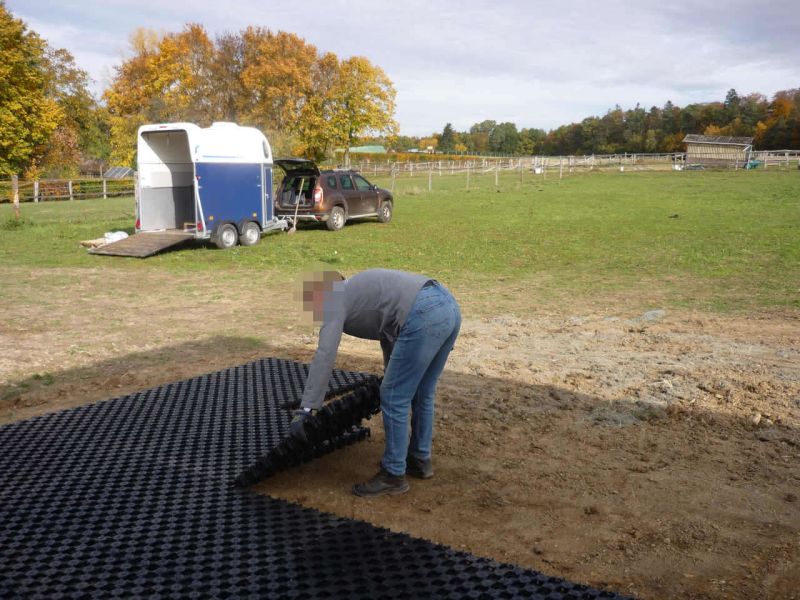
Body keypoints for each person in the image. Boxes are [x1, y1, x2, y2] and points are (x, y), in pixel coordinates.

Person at [290, 269, 461, 497]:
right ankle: (420, 460)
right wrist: (394, 375)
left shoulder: (334, 298)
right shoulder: (360, 292)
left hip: (424, 312)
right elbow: (391, 336)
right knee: (422, 391)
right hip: (447, 306)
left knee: (392, 395)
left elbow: (325, 354)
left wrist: (307, 407)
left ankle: (393, 474)